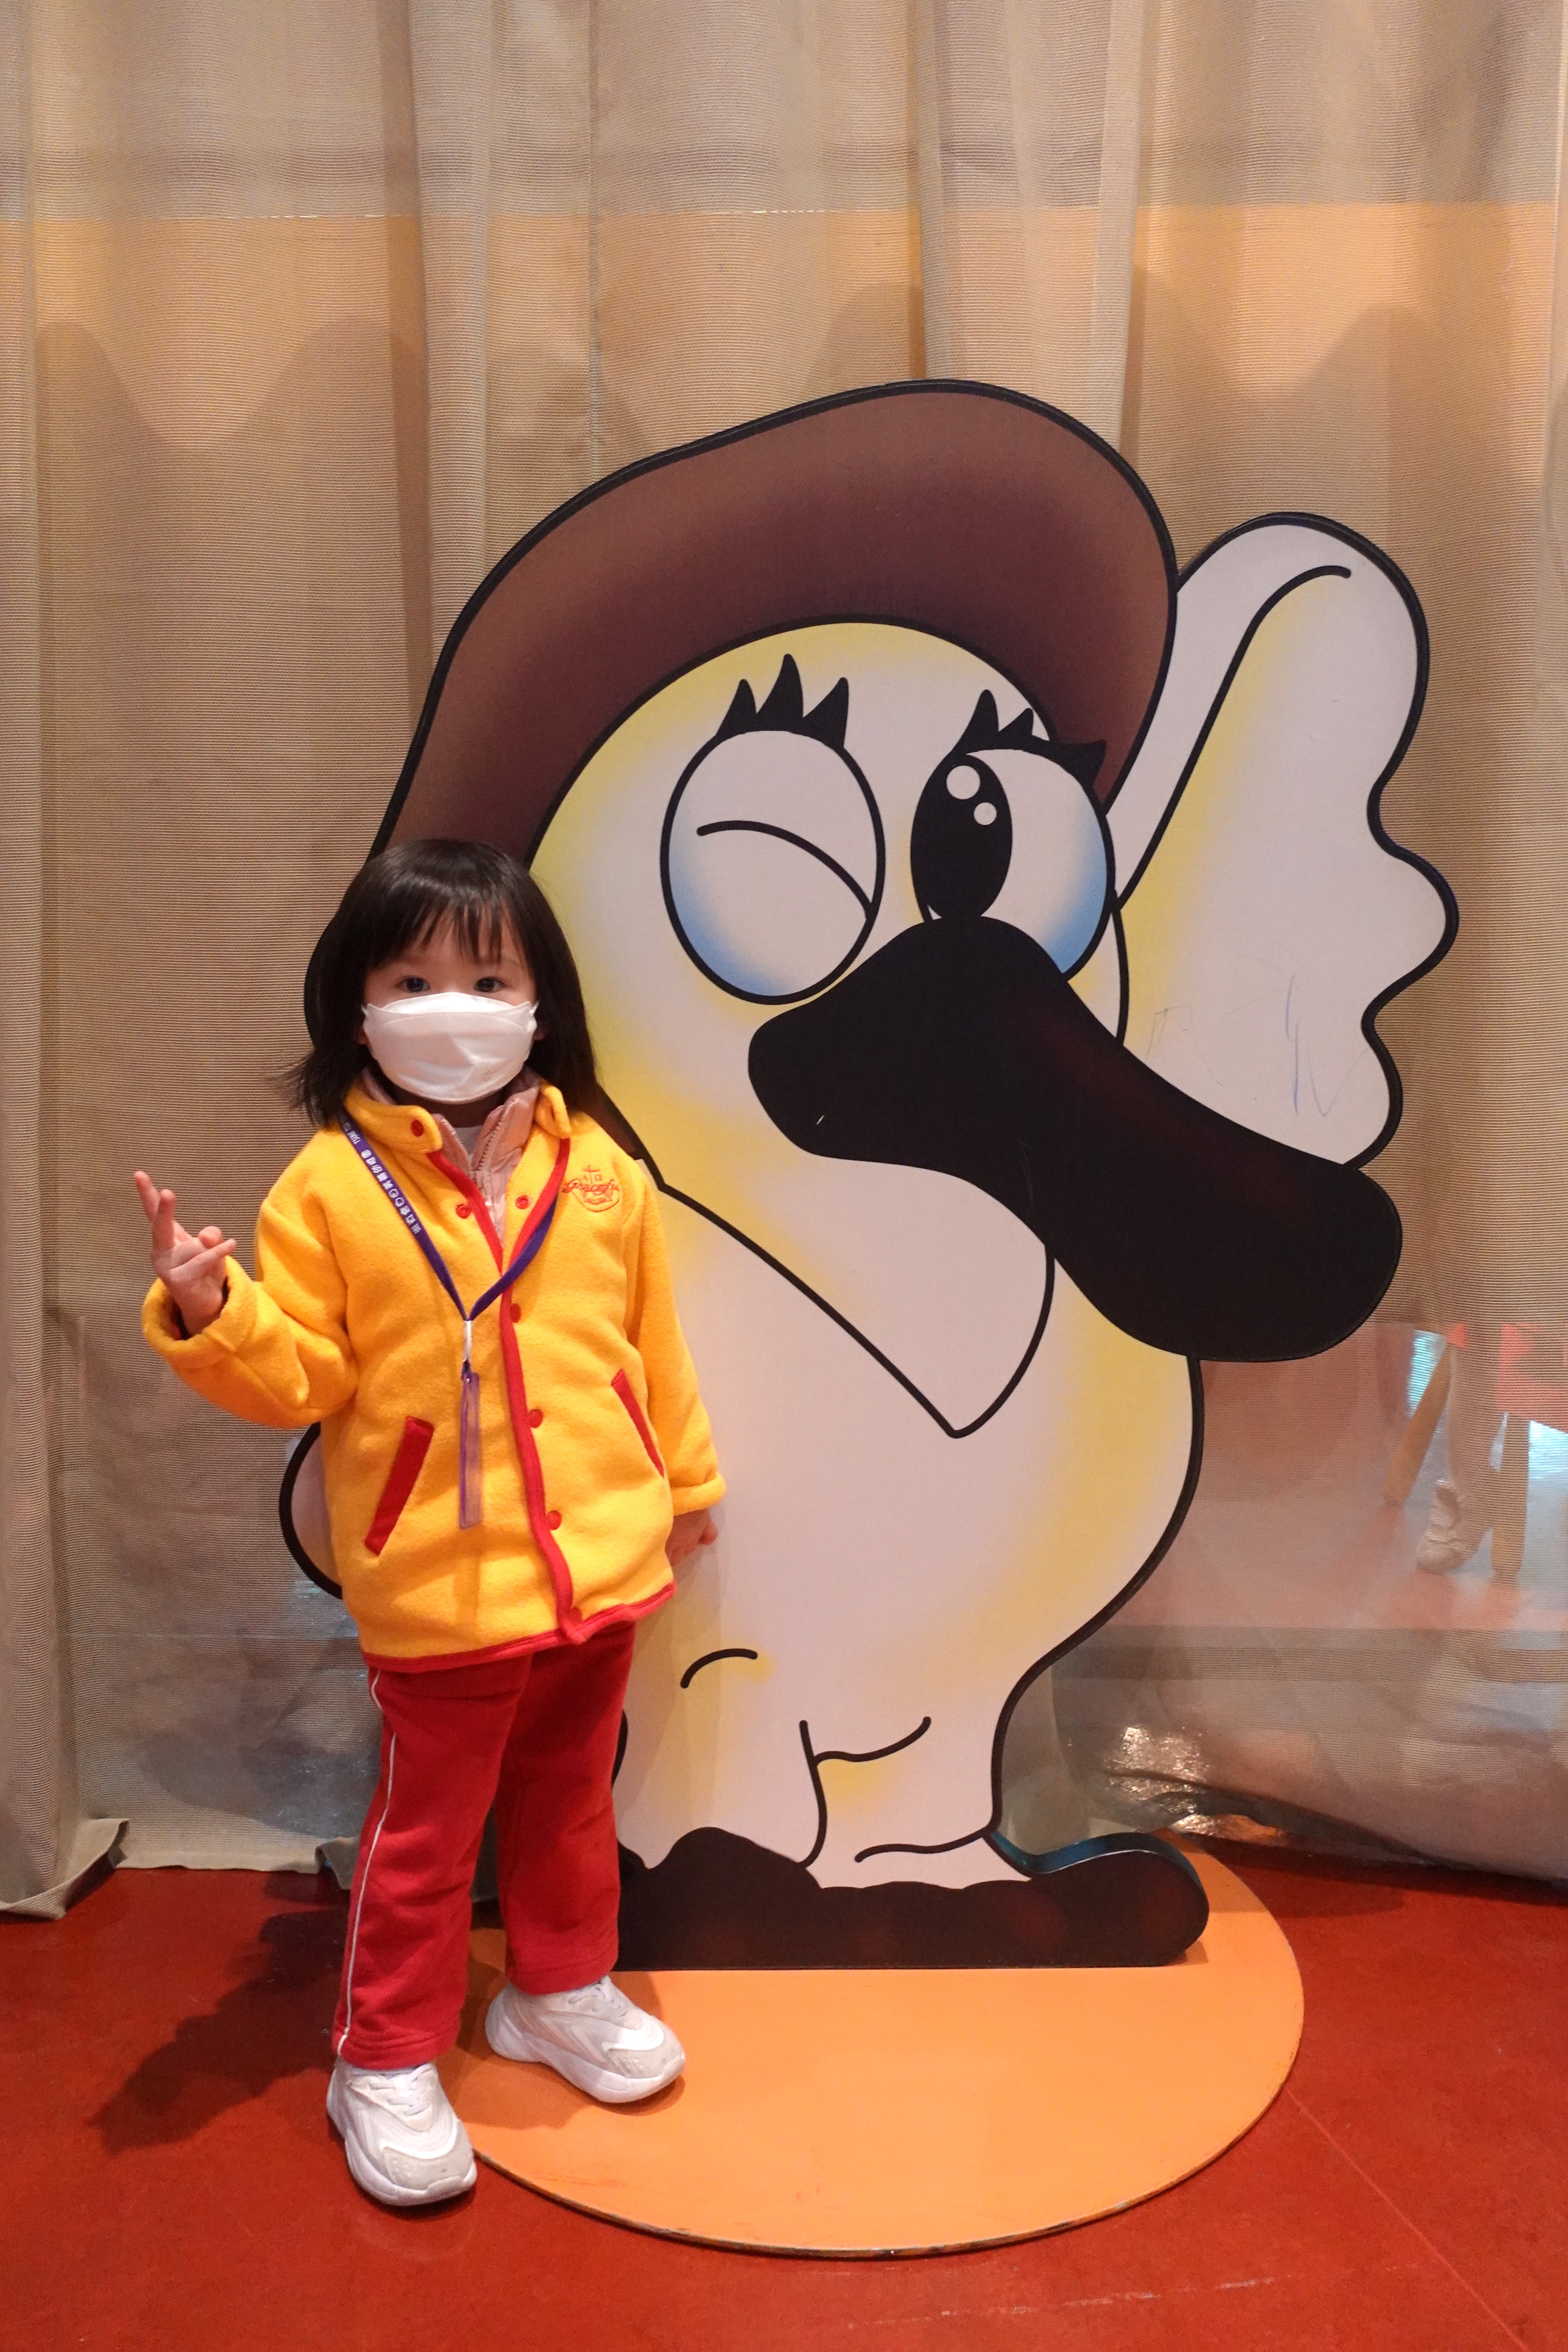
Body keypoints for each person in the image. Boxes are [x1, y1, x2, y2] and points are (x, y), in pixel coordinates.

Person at [135, 837, 723, 2208]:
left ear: (539, 1002)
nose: (452, 1006)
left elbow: (653, 1348)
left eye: (487, 978)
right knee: (426, 1839)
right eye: (413, 979)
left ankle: (558, 1992)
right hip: (437, 1585)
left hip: (600, 1565)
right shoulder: (329, 1187)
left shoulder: (603, 1170)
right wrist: (214, 1312)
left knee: (572, 1800)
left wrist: (686, 1488)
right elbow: (304, 1377)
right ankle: (385, 2055)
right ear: (358, 1006)